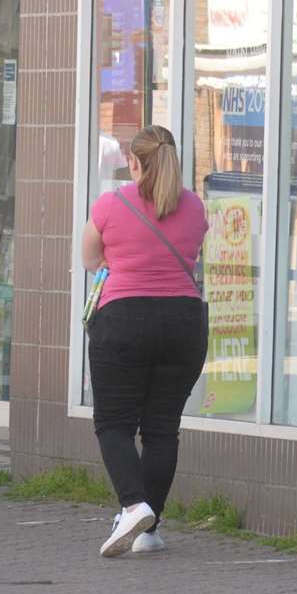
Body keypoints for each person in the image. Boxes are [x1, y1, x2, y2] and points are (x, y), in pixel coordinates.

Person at [81, 126, 209, 557]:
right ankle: (148, 529)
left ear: (134, 163)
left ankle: (133, 504)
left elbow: (89, 259)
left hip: (123, 320)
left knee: (114, 424)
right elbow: (189, 252)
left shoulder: (110, 204)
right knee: (161, 429)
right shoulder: (194, 207)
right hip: (184, 323)